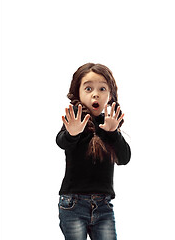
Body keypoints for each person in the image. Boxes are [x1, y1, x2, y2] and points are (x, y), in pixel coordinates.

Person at [56, 63, 131, 240]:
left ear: (110, 94)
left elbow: (124, 158)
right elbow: (61, 142)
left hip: (103, 205)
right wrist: (72, 134)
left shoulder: (109, 123)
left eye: (102, 88)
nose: (95, 94)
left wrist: (113, 133)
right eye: (88, 88)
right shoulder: (75, 120)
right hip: (73, 203)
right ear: (78, 93)